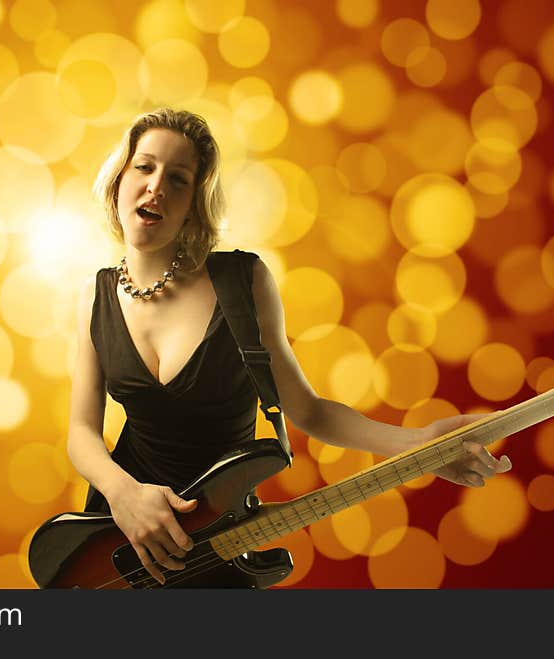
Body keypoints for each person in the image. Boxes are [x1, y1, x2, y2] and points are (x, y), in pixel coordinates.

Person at [66, 107, 512, 587]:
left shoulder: (242, 281)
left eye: (178, 179)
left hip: (220, 541)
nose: (156, 187)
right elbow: (81, 430)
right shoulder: (95, 294)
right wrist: (123, 495)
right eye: (145, 167)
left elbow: (310, 413)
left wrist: (420, 445)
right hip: (118, 538)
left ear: (194, 205)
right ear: (118, 179)